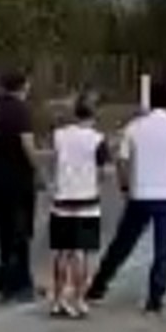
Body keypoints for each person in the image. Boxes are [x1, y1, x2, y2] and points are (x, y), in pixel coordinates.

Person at [87, 81, 166, 314]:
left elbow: (122, 161)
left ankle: (98, 286)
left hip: (140, 195)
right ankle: (155, 299)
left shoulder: (134, 127)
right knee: (163, 249)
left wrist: (125, 187)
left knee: (122, 244)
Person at [48, 92, 110, 319]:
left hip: (62, 199)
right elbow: (104, 172)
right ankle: (79, 299)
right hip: (87, 201)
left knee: (61, 251)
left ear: (74, 115)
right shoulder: (98, 139)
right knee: (80, 252)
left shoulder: (59, 135)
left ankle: (57, 299)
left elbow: (56, 160)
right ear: (93, 115)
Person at [0, 71, 41, 302]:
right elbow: (27, 144)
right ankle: (22, 285)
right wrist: (39, 171)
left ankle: (6, 284)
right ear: (23, 86)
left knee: (5, 233)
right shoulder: (20, 110)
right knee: (21, 232)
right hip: (18, 179)